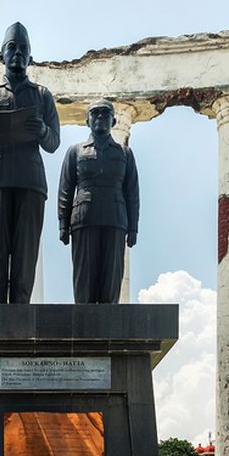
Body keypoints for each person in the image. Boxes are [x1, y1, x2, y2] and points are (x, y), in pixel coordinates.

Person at [0, 22, 61, 303]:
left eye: (23, 49)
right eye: (11, 48)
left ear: (30, 58)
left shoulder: (42, 95)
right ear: (1, 56)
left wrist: (42, 130)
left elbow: (53, 142)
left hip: (30, 181)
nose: (17, 53)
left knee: (26, 249)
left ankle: (20, 308)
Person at [57, 99, 139, 303]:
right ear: (87, 121)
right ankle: (83, 326)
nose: (100, 117)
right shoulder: (75, 151)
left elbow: (132, 192)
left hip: (115, 220)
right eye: (95, 113)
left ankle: (110, 327)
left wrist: (134, 228)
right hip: (84, 220)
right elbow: (66, 189)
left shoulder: (125, 153)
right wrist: (62, 225)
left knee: (111, 280)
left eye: (105, 113)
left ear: (114, 120)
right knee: (84, 279)